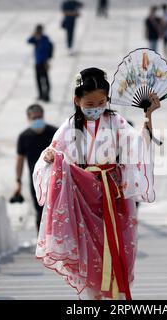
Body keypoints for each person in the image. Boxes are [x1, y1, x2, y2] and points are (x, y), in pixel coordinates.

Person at [33, 68, 160, 300]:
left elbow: (138, 146)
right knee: (88, 256)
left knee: (119, 251)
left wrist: (148, 116)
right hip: (82, 198)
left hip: (114, 196)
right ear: (77, 100)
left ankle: (117, 299)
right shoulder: (70, 127)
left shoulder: (115, 121)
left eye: (102, 102)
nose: (96, 108)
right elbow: (52, 153)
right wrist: (50, 157)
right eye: (90, 103)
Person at [13, 104, 57, 231]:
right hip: (37, 181)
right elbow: (20, 160)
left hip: (55, 177)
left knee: (57, 210)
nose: (37, 120)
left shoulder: (54, 132)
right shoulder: (24, 137)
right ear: (28, 119)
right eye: (34, 118)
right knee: (40, 212)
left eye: (40, 117)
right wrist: (18, 182)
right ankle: (42, 243)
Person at [27, 25, 54, 102]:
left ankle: (47, 95)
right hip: (37, 63)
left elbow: (45, 48)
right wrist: (34, 36)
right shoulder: (35, 39)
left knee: (45, 80)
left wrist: (38, 39)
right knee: (38, 79)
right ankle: (41, 95)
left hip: (44, 63)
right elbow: (28, 41)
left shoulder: (45, 39)